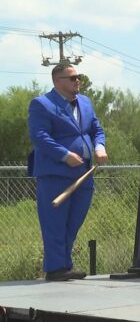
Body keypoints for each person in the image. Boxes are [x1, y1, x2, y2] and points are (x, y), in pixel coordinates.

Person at [28, 62, 108, 281]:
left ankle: (63, 264)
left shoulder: (85, 103)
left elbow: (96, 129)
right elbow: (40, 136)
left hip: (84, 173)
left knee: (74, 221)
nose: (77, 81)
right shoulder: (42, 104)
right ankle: (56, 268)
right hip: (55, 174)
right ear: (57, 81)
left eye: (78, 76)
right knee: (54, 222)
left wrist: (99, 147)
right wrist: (64, 155)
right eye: (72, 77)